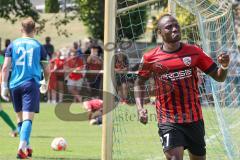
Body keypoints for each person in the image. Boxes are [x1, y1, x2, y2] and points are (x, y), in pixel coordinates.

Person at [134, 14, 230, 160]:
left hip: (194, 118)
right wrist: (140, 108)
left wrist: (224, 65)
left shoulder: (194, 51)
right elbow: (139, 83)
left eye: (176, 25)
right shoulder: (150, 58)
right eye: (168, 27)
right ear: (159, 33)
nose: (174, 29)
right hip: (168, 119)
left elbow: (219, 77)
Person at [1, 17, 49, 159]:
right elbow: (47, 69)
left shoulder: (13, 45)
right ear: (35, 30)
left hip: (14, 85)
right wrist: (45, 82)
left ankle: (26, 146)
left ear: (21, 30)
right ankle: (21, 148)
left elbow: (5, 67)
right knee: (28, 118)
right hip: (30, 84)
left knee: (20, 118)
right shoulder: (39, 46)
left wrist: (4, 86)